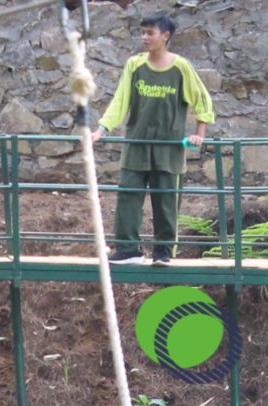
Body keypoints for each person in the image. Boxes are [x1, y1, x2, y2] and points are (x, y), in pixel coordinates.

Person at [91, 12, 215, 265]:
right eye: (142, 32)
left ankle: (163, 251)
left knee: (166, 199)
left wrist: (199, 134)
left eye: (150, 33)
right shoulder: (134, 65)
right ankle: (128, 249)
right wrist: (102, 129)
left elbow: (202, 99)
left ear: (165, 36)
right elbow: (120, 100)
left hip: (169, 147)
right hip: (136, 144)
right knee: (128, 195)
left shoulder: (181, 67)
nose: (144, 37)